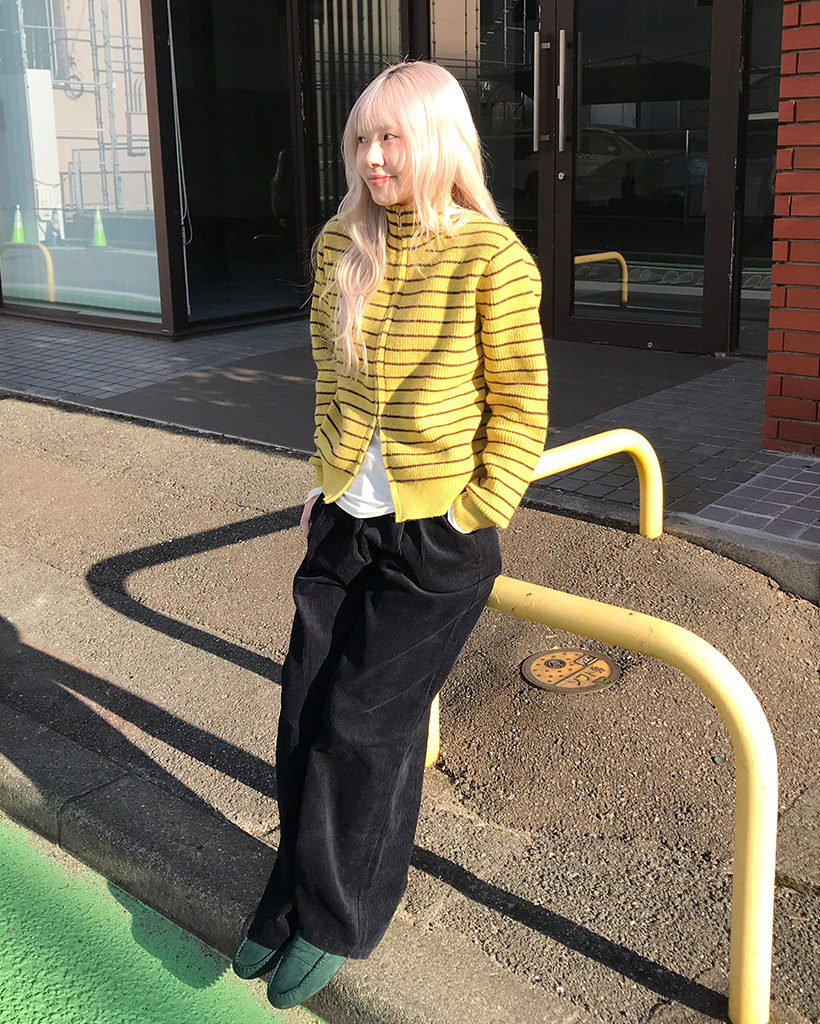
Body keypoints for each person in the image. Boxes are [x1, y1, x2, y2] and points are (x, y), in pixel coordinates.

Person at [232, 59, 549, 1009]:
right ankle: (292, 894)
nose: (372, 158)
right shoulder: (343, 240)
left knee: (364, 724)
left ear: (439, 141)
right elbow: (330, 378)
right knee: (304, 711)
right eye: (362, 139)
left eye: (391, 138)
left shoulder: (492, 257)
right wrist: (323, 483)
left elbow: (522, 406)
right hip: (345, 520)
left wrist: (473, 510)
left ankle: (341, 917)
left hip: (436, 537)